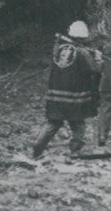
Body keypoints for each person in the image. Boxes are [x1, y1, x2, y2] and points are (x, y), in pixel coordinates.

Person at [32, 21, 103, 158]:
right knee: (78, 125)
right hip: (74, 98)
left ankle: (37, 148)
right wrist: (98, 59)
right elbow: (95, 70)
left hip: (56, 96)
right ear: (83, 37)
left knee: (53, 123)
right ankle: (75, 151)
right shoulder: (83, 53)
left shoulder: (57, 50)